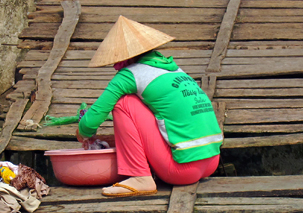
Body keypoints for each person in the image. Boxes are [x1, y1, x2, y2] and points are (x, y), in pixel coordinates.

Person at [76, 16, 223, 197]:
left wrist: (82, 132)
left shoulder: (130, 74)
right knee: (154, 105)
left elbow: (90, 122)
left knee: (124, 103)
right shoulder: (173, 69)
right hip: (211, 162)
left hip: (182, 171)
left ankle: (140, 177)